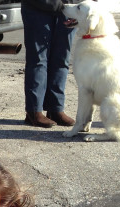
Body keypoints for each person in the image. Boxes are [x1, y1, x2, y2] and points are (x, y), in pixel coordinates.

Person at [22, 0, 77, 128]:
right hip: (37, 8)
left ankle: (55, 109)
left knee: (61, 60)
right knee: (38, 61)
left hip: (68, 9)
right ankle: (34, 111)